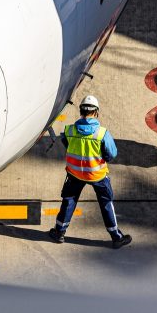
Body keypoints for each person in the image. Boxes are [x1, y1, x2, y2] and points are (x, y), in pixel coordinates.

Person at [47, 96, 132, 249]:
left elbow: (66, 143)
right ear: (96, 112)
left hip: (74, 174)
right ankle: (116, 237)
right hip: (97, 175)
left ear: (80, 111)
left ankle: (59, 232)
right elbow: (111, 154)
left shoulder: (69, 130)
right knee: (106, 203)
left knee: (69, 200)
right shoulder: (102, 133)